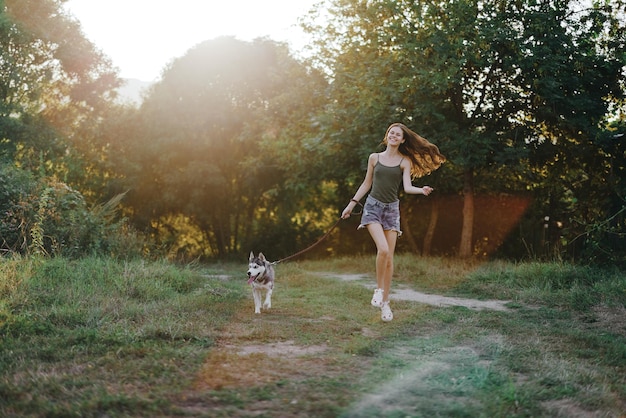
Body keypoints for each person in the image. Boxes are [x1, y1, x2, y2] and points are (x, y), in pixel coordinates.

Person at [341, 123, 446, 321]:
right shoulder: (375, 157)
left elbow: (407, 187)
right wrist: (351, 205)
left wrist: (421, 190)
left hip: (391, 211)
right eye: (391, 133)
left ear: (403, 140)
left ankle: (385, 304)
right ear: (387, 135)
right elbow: (367, 183)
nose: (394, 136)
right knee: (383, 250)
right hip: (372, 208)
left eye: (398, 135)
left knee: (389, 259)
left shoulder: (404, 161)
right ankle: (379, 290)